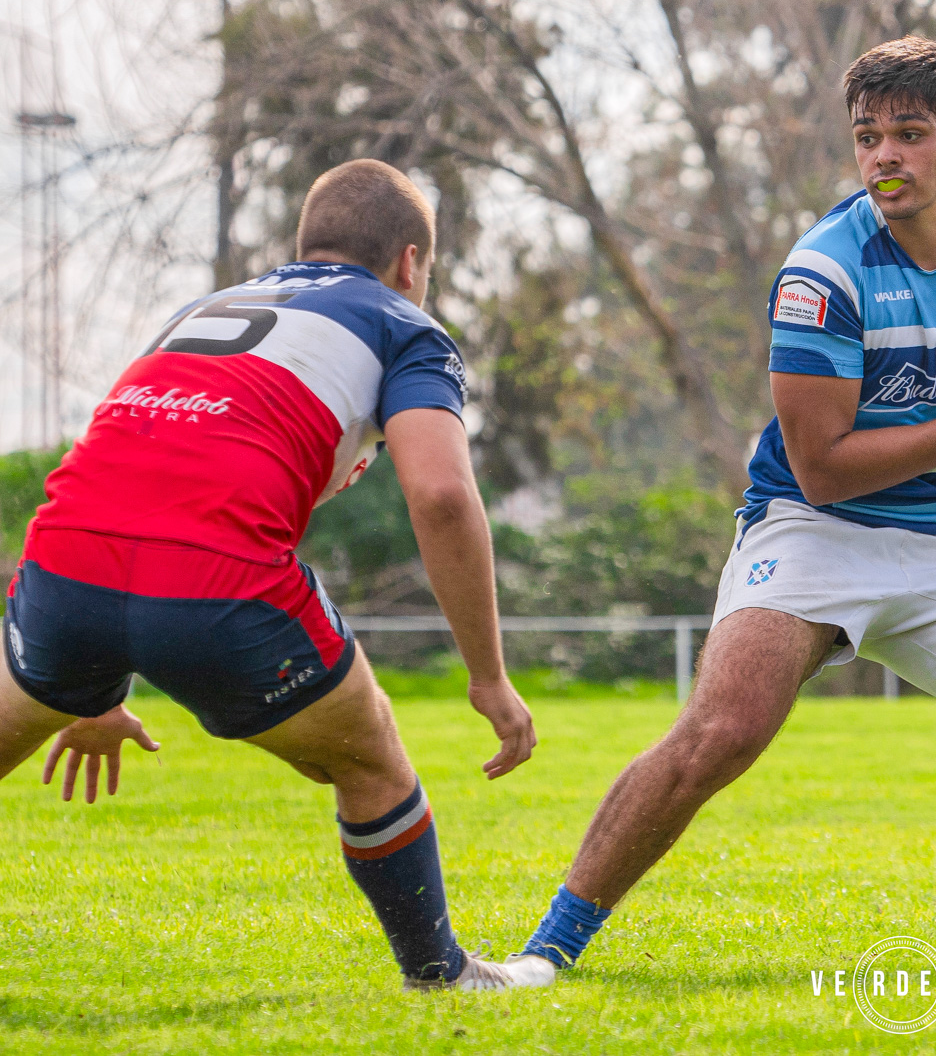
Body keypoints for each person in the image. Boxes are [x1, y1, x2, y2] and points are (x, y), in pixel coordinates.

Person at [513, 37, 936, 975]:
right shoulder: (821, 272)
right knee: (722, 732)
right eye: (868, 137)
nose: (884, 157)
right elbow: (822, 468)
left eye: (909, 134)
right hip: (811, 530)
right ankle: (547, 952)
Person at [0, 159, 552, 991]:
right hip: (217, 581)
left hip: (62, 558)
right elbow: (441, 495)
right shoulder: (404, 324)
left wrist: (88, 687)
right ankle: (440, 974)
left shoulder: (202, 310)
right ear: (410, 263)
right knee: (370, 758)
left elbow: (130, 464)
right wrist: (489, 675)